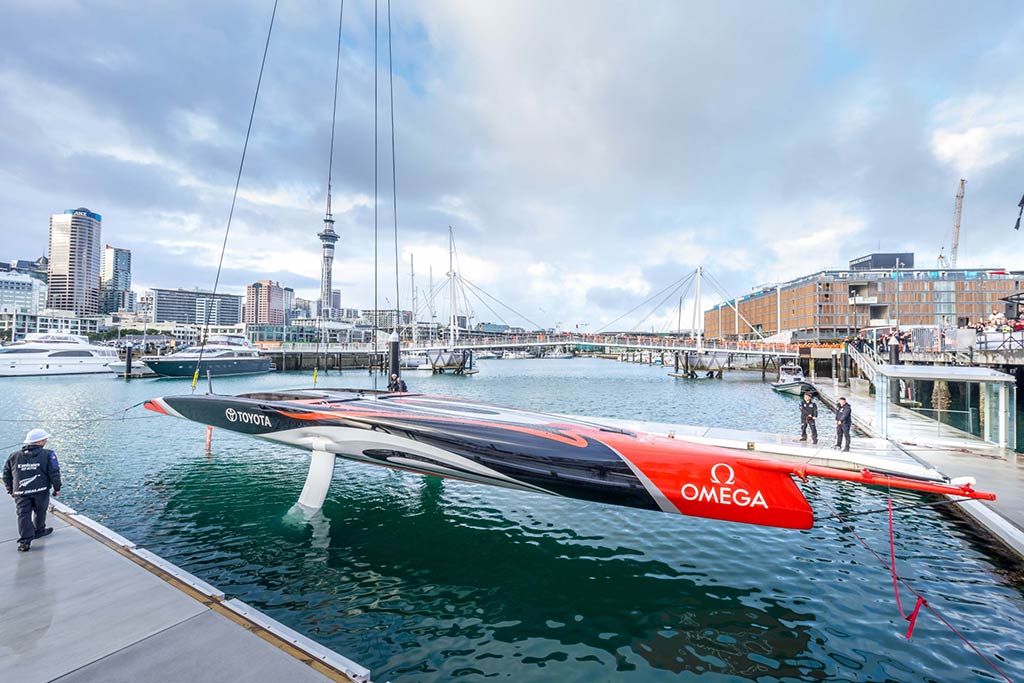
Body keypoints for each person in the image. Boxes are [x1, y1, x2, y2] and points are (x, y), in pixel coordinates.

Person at [3, 428, 61, 552]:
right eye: (45, 439)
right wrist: (57, 488)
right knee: (40, 511)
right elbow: (54, 473)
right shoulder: (49, 454)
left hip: (21, 492)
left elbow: (6, 475)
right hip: (41, 491)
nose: (46, 440)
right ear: (40, 442)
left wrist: (11, 490)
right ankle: (39, 530)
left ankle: (24, 542)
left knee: (23, 515)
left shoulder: (14, 456)